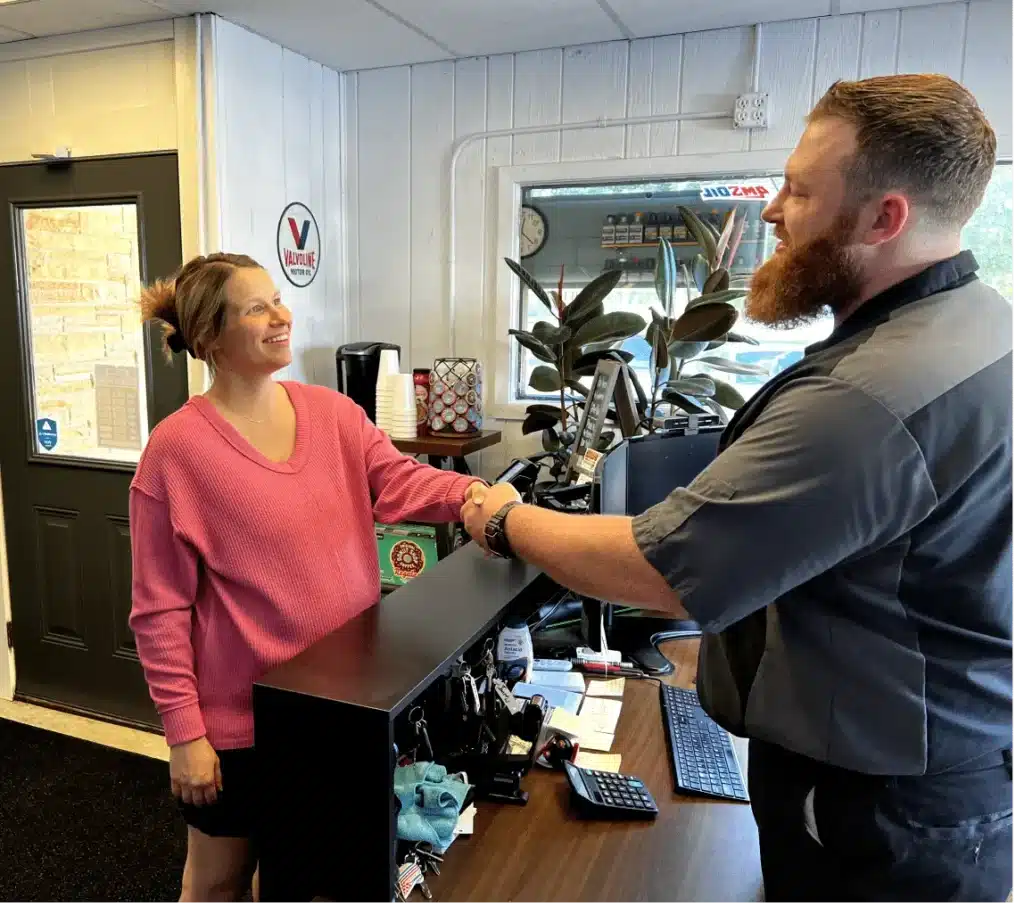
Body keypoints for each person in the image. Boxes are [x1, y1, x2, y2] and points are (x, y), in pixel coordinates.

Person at [463, 75, 1015, 904]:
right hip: (959, 770)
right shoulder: (984, 324)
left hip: (881, 805)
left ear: (884, 217)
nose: (770, 212)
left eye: (798, 190)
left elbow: (661, 567)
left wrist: (506, 519)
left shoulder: (871, 396)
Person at [129, 252, 484, 904]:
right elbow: (159, 610)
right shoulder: (176, 452)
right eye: (256, 307)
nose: (281, 316)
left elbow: (401, 482)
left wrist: (473, 498)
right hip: (239, 726)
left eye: (278, 299)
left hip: (337, 709)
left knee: (301, 877)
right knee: (216, 883)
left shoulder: (333, 414)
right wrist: (184, 734)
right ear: (210, 337)